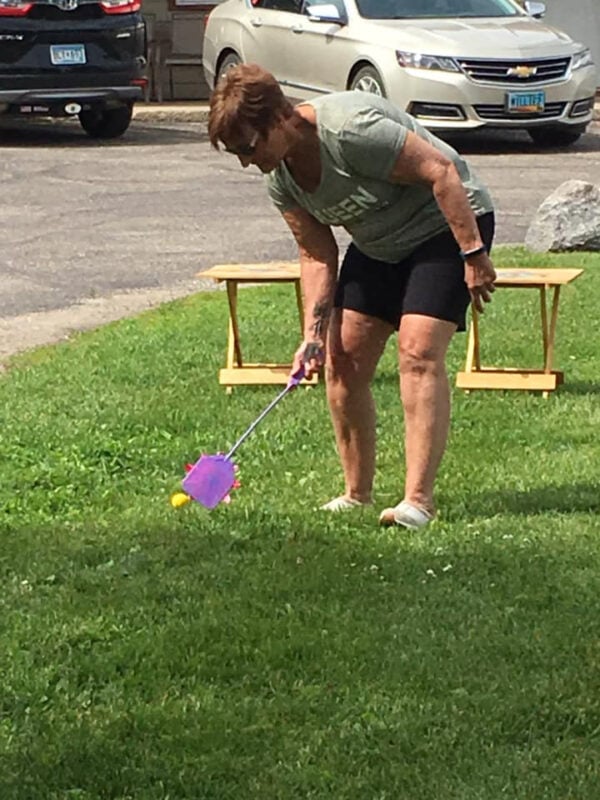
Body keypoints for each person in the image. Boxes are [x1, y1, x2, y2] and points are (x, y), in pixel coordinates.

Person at [208, 63, 496, 529]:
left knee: (418, 351)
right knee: (342, 360)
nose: (246, 160)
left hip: (445, 227)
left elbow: (441, 172)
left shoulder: (351, 132)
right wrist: (312, 337)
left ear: (279, 119)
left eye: (248, 146)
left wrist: (473, 255)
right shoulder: (280, 178)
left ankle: (417, 502)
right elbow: (317, 253)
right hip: (379, 244)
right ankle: (355, 494)